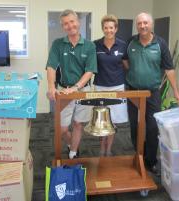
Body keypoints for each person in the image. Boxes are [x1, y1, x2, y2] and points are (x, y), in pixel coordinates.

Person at [126, 12, 179, 175]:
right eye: (139, 23)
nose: (142, 26)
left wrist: (177, 92)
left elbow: (169, 69)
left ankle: (151, 160)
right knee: (134, 126)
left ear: (151, 25)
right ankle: (139, 154)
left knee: (152, 127)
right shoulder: (131, 41)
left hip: (152, 93)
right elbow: (124, 59)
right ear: (137, 26)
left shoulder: (160, 44)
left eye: (145, 23)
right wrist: (132, 72)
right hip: (132, 92)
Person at [46, 9, 97, 159]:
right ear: (63, 27)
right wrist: (51, 87)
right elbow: (51, 67)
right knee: (61, 129)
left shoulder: (89, 46)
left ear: (78, 22)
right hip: (64, 91)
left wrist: (76, 87)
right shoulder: (58, 44)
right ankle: (71, 143)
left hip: (83, 91)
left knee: (78, 124)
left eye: (72, 21)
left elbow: (89, 71)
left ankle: (73, 152)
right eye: (66, 24)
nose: (70, 26)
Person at [93, 14, 128, 157]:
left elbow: (127, 65)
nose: (109, 30)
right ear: (103, 29)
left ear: (116, 28)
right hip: (100, 87)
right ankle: (102, 148)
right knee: (101, 121)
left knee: (113, 121)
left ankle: (108, 149)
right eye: (106, 28)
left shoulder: (122, 45)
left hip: (117, 87)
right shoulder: (95, 45)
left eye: (111, 28)